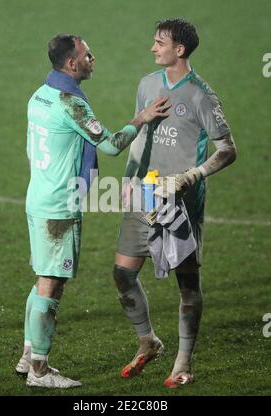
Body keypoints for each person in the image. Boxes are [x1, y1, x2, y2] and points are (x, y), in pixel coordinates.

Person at [15, 33, 170, 389]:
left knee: (43, 277)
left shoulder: (40, 95)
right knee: (52, 283)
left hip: (38, 195)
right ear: (72, 64)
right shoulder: (71, 103)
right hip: (58, 206)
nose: (93, 58)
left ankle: (28, 355)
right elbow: (113, 145)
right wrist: (142, 117)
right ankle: (39, 370)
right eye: (87, 55)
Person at [113, 18, 237, 388]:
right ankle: (148, 341)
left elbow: (228, 150)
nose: (153, 48)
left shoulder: (201, 95)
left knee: (186, 284)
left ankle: (182, 364)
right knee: (123, 274)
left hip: (181, 203)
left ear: (178, 50)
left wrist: (191, 177)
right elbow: (141, 135)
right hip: (145, 194)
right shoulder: (147, 85)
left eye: (159, 43)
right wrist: (128, 177)